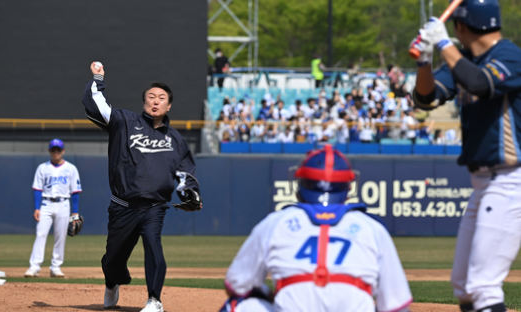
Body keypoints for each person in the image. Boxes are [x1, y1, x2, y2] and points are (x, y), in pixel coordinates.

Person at [410, 1, 521, 311]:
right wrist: (425, 61)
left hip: (511, 180)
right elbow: (425, 98)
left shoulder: (510, 56)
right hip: (483, 183)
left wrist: (444, 43)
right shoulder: (464, 59)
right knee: (464, 288)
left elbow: (478, 83)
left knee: (484, 286)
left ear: (461, 27)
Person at [221, 145, 412, 312]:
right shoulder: (372, 228)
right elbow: (397, 304)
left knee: (238, 306)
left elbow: (236, 284)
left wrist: (266, 293)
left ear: (301, 183)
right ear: (348, 186)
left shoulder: (276, 222)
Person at [82, 62, 202, 312]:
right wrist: (98, 78)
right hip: (123, 205)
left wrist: (190, 192)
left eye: (161, 98)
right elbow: (95, 105)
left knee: (153, 246)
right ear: (144, 102)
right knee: (113, 259)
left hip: (154, 206)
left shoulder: (175, 139)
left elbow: (185, 173)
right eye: (151, 97)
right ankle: (113, 281)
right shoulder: (124, 121)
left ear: (169, 106)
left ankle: (154, 300)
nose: (155, 101)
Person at [24, 138, 82, 278]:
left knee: (60, 236)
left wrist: (75, 212)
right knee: (40, 234)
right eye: (53, 149)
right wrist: (37, 208)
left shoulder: (71, 168)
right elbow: (37, 189)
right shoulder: (42, 168)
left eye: (58, 149)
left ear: (63, 151)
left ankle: (55, 267)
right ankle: (34, 266)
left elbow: (75, 192)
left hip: (63, 203)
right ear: (50, 151)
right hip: (46, 204)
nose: (55, 152)